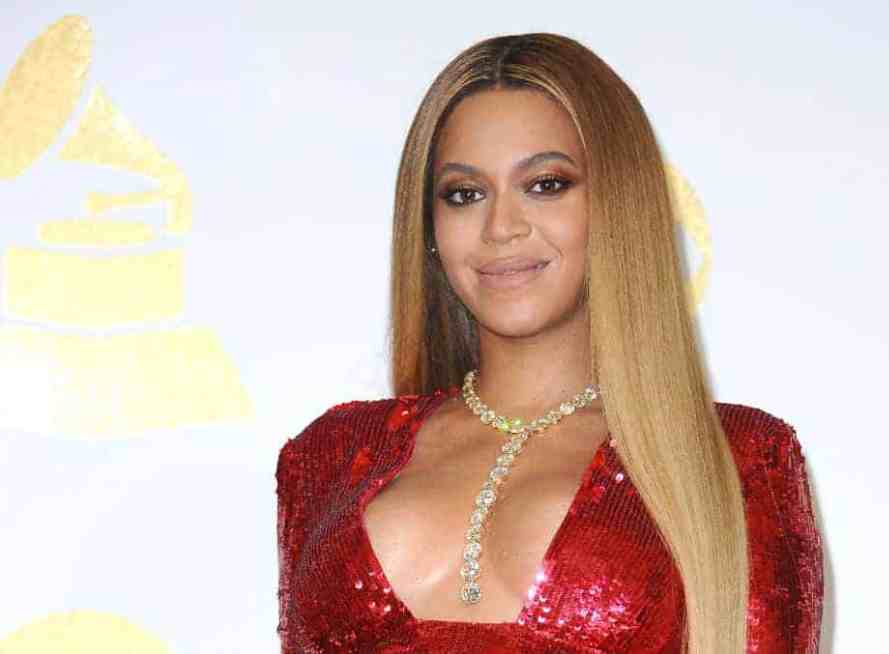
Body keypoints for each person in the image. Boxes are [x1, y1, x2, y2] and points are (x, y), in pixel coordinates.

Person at [275, 32, 824, 653]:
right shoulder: (329, 456)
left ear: (616, 205)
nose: (501, 227)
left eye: (546, 184)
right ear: (429, 229)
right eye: (464, 194)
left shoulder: (738, 458)